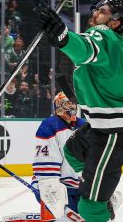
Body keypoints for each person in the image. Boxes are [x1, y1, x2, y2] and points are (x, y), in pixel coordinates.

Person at [36, 0, 123, 222]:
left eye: (102, 12)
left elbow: (85, 48)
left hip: (112, 134)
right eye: (97, 9)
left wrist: (63, 37)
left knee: (89, 208)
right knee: (73, 151)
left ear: (115, 22)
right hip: (111, 124)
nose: (95, 14)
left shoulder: (103, 35)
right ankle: (103, 189)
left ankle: (99, 199)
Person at [32, 92, 86, 220]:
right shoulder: (50, 125)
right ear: (58, 106)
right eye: (67, 103)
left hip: (80, 186)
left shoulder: (83, 124)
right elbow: (45, 160)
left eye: (73, 103)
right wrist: (49, 185)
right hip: (59, 187)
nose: (71, 107)